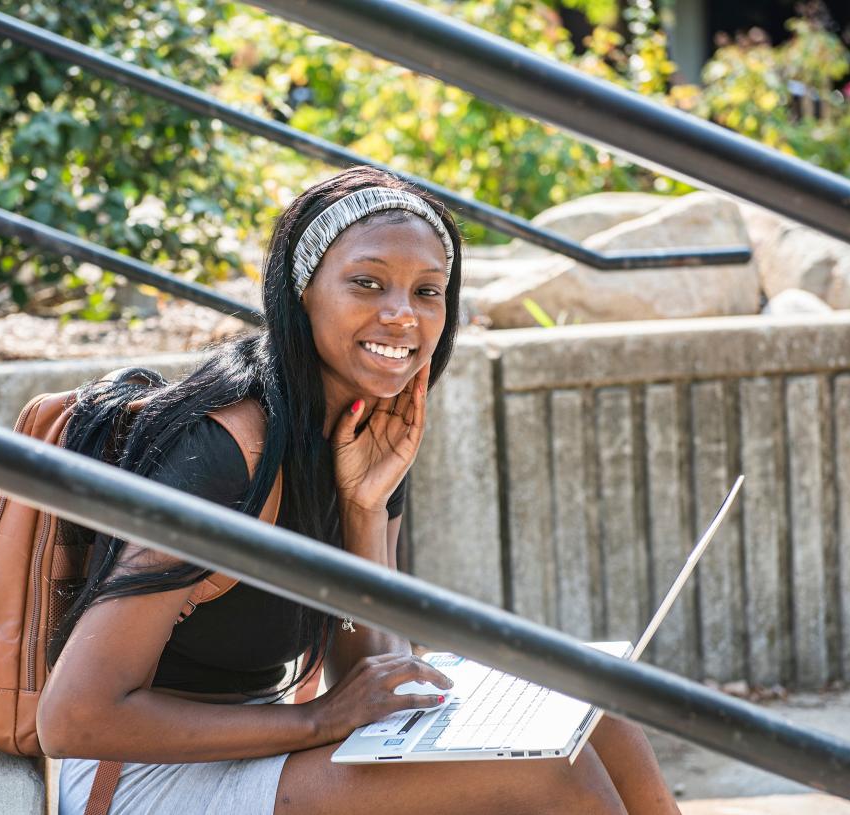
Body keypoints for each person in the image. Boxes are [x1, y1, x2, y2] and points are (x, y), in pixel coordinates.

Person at [37, 165, 682, 815]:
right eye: (367, 282)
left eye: (427, 291)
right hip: (140, 775)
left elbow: (369, 672)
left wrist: (364, 508)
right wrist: (316, 721)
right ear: (302, 293)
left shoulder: (357, 427)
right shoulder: (225, 452)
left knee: (595, 712)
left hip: (250, 746)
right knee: (545, 778)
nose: (401, 315)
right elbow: (76, 716)